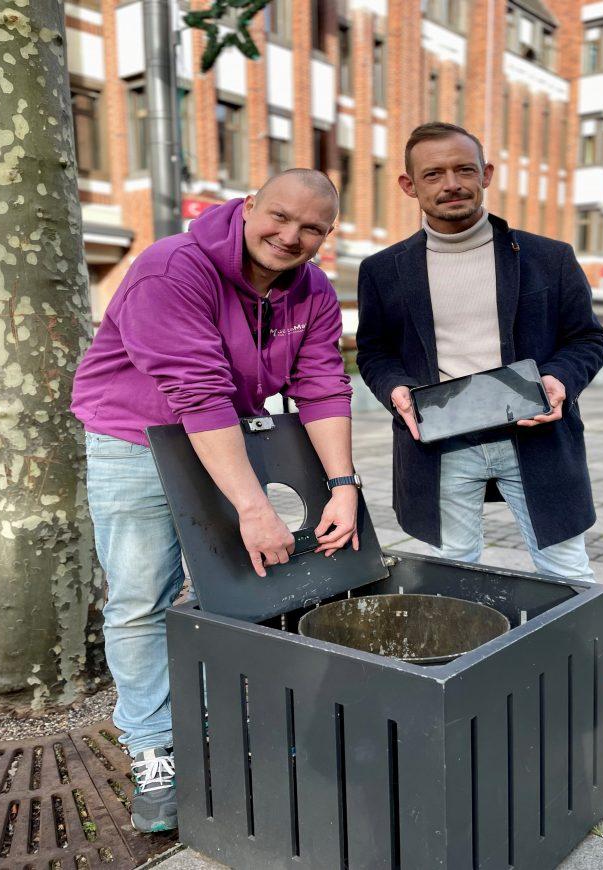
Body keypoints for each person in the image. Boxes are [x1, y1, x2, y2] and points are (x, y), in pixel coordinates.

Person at [71, 170, 361, 832]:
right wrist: (254, 507)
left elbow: (320, 381)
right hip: (135, 440)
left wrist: (344, 485)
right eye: (279, 217)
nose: (291, 236)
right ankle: (153, 747)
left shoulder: (311, 290)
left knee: (244, 586)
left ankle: (226, 718)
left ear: (327, 235)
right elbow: (197, 392)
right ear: (248, 206)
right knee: (142, 596)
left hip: (231, 437)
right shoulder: (172, 268)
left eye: (312, 228)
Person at [356, 123, 603, 763]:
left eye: (464, 169)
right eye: (433, 174)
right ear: (410, 186)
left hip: (537, 442)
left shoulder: (549, 256)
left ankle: (600, 702)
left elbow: (588, 340)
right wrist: (397, 389)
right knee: (450, 581)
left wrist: (558, 382)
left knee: (568, 576)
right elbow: (375, 351)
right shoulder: (382, 271)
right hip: (439, 445)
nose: (451, 183)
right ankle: (460, 704)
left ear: (487, 174)